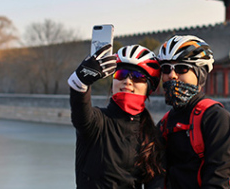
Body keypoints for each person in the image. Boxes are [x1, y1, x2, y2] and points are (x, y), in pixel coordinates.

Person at [68, 44, 165, 189]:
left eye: (137, 77)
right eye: (121, 74)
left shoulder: (152, 136)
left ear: (149, 87)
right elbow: (80, 112)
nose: (127, 81)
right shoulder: (97, 122)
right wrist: (80, 81)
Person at [157, 35, 230, 189]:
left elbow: (219, 180)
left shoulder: (216, 119)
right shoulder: (163, 124)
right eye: (166, 68)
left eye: (181, 68)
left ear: (200, 74)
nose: (172, 75)